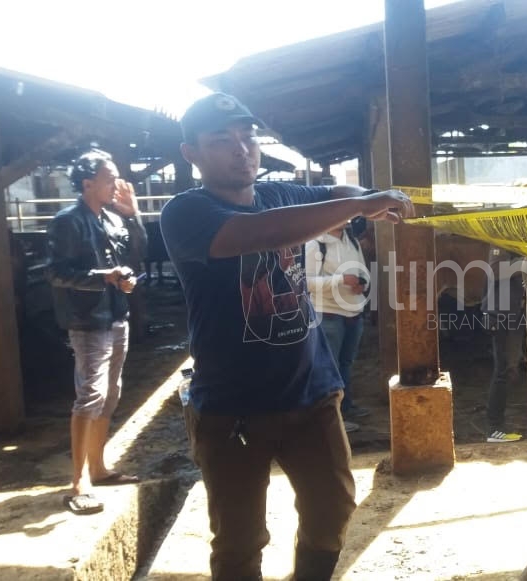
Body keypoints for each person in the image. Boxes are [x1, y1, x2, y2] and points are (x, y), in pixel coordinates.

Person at [160, 92, 413, 580]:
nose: (242, 149)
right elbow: (261, 233)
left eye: (248, 136)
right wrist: (362, 204)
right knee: (239, 538)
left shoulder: (278, 194)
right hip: (232, 406)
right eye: (222, 140)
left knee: (333, 508)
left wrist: (374, 194)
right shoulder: (185, 213)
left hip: (311, 395)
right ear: (191, 153)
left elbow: (332, 192)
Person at [47, 149, 146, 515]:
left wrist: (134, 217)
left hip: (116, 313)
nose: (116, 184)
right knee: (91, 394)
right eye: (109, 178)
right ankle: (77, 482)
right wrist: (103, 277)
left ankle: (99, 468)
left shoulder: (112, 218)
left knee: (110, 393)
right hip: (87, 319)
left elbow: (137, 255)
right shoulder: (67, 222)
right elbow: (55, 273)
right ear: (88, 183)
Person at [306, 218, 372, 433]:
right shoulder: (315, 244)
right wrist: (341, 279)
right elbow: (307, 282)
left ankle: (345, 407)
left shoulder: (351, 241)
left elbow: (363, 271)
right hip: (328, 313)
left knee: (345, 363)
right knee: (329, 366)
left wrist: (362, 284)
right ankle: (331, 418)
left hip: (353, 312)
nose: (344, 218)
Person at [481, 245, 525, 443]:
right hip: (500, 316)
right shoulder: (499, 242)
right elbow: (495, 270)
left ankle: (496, 427)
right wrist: (525, 263)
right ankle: (494, 429)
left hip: (513, 316)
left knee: (509, 370)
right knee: (502, 371)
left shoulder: (515, 244)